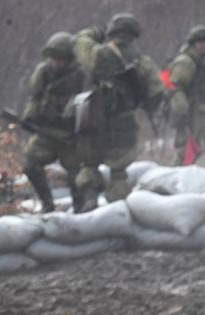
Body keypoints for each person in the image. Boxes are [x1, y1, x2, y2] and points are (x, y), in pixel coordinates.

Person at [76, 13, 166, 208]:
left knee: (89, 165)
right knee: (118, 172)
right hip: (123, 121)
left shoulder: (96, 53)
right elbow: (157, 92)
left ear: (112, 32)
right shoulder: (143, 62)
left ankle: (90, 199)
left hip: (92, 118)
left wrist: (93, 32)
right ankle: (116, 212)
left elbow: (80, 42)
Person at [22, 32, 88, 212]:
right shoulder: (43, 72)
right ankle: (47, 204)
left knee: (77, 177)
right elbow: (35, 97)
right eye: (53, 59)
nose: (56, 63)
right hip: (46, 133)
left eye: (60, 59)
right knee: (29, 163)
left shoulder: (80, 75)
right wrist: (29, 117)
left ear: (69, 58)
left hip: (70, 137)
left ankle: (80, 211)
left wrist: (80, 131)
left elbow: (86, 104)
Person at [167, 25, 205, 166]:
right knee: (185, 149)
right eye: (201, 42)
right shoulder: (186, 61)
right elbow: (174, 85)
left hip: (200, 110)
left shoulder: (203, 62)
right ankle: (177, 178)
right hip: (189, 110)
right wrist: (181, 106)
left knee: (194, 148)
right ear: (193, 43)